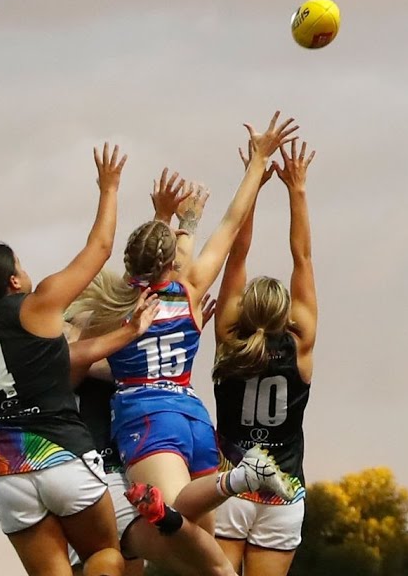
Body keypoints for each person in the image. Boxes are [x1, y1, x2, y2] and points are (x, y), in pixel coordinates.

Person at [65, 112, 301, 538]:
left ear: (128, 260)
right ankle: (236, 479)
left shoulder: (113, 304)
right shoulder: (189, 289)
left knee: (171, 510)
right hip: (192, 413)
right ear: (169, 261)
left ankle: (241, 477)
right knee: (200, 545)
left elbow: (80, 354)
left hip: (146, 415)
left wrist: (150, 210)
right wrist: (257, 162)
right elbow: (230, 225)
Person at [0, 143, 159, 576]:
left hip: (7, 469)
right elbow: (101, 247)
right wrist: (109, 187)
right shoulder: (37, 304)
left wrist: (127, 332)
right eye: (21, 264)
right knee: (106, 555)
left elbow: (63, 358)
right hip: (63, 455)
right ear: (14, 279)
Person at [210, 141, 319, 576]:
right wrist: (298, 189)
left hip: (231, 487)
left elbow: (236, 251)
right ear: (285, 313)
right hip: (284, 490)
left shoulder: (228, 339)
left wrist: (253, 180)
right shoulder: (302, 343)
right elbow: (303, 257)